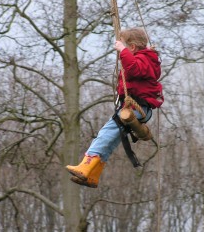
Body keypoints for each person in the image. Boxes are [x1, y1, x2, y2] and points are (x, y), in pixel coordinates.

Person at [66, 27, 163, 188]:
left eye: (123, 46)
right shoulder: (146, 58)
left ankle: (87, 162)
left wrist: (122, 50)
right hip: (136, 107)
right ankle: (93, 174)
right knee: (112, 139)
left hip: (138, 107)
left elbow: (134, 68)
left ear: (131, 47)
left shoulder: (144, 59)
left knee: (106, 132)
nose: (119, 52)